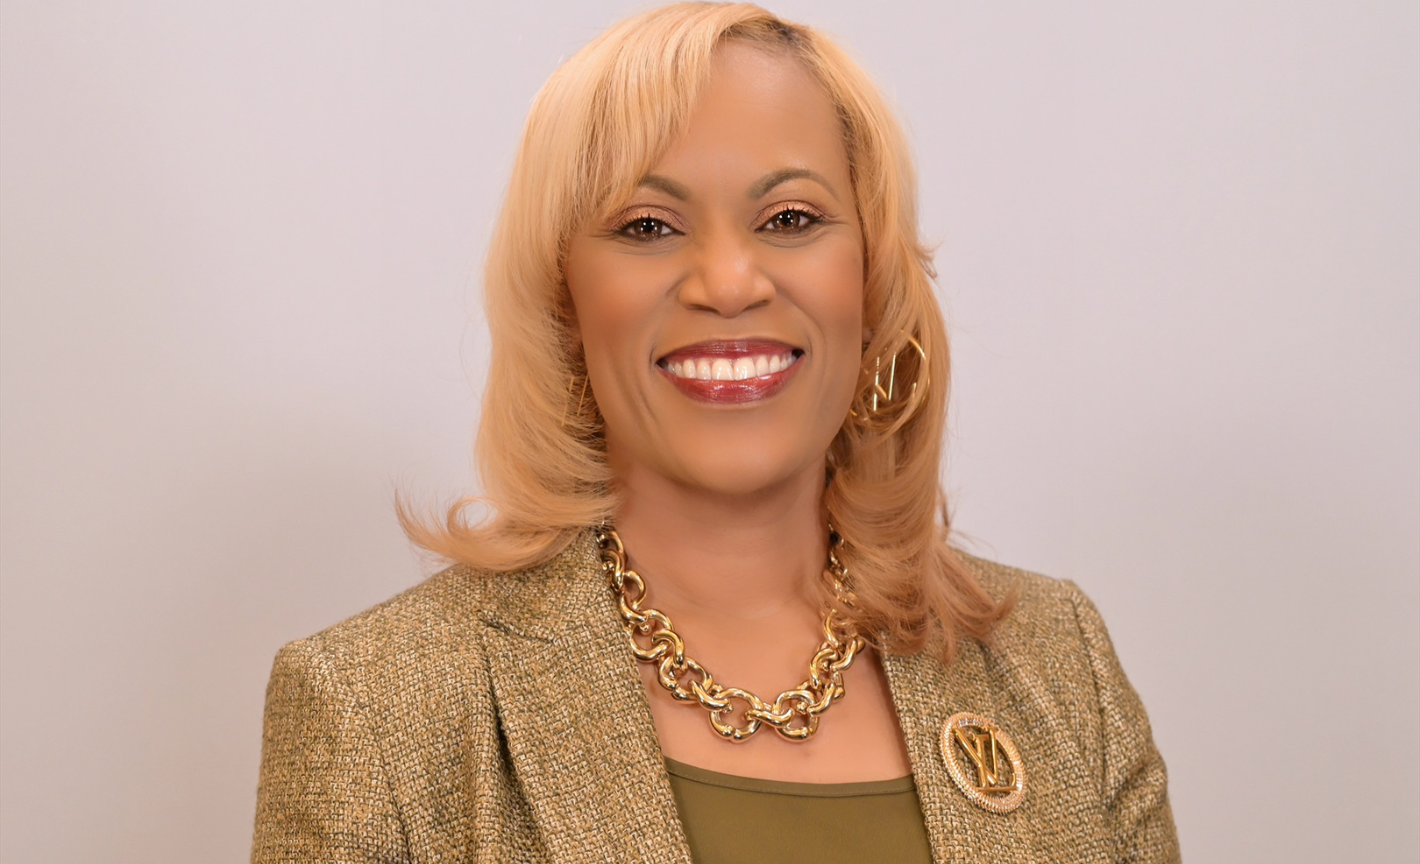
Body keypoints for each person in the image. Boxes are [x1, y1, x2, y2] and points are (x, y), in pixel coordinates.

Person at [250, 4, 1179, 862]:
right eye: (648, 225)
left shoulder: (1061, 660)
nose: (729, 282)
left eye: (791, 218)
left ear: (872, 283)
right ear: (564, 303)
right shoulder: (373, 708)